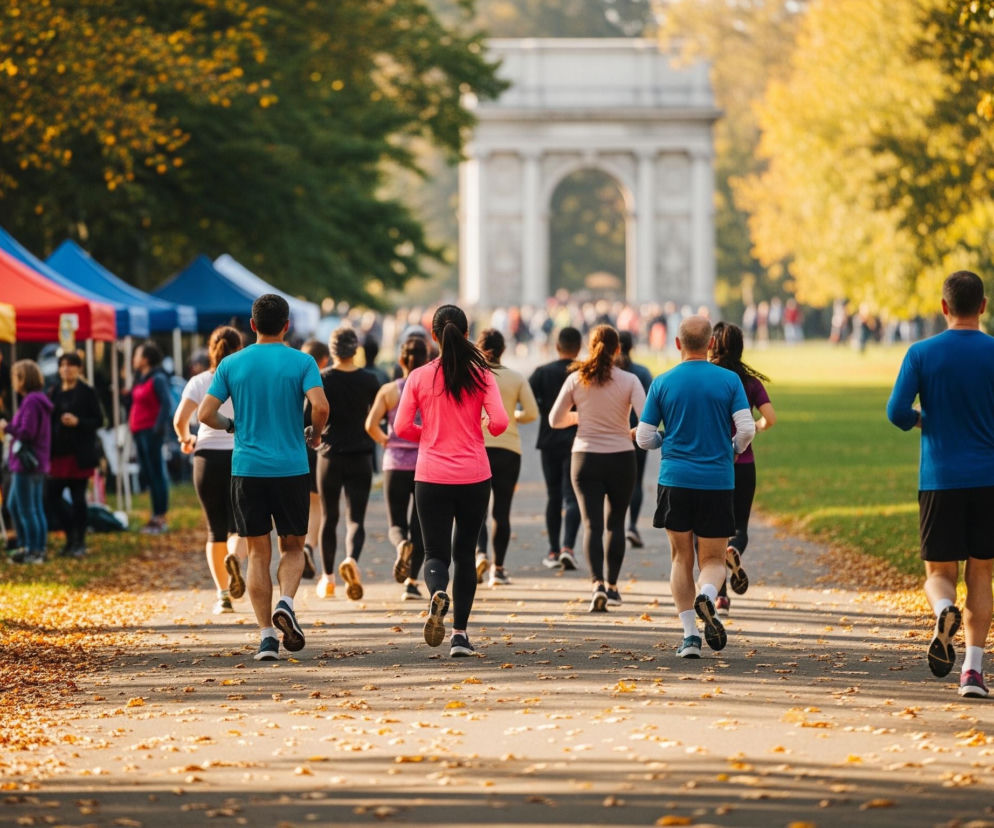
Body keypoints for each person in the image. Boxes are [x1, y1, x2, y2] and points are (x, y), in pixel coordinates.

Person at [199, 295, 329, 661]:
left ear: (252, 326)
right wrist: (315, 434)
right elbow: (320, 406)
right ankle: (286, 602)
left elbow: (206, 414)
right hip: (290, 468)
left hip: (247, 470)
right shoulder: (302, 362)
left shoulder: (231, 363)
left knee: (257, 553)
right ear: (287, 325)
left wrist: (231, 425)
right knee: (292, 547)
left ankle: (267, 639)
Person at [886, 271, 994, 698]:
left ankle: (943, 609)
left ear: (944, 307)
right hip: (988, 479)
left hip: (940, 479)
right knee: (982, 573)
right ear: (983, 306)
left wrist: (920, 419)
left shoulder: (921, 353)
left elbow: (896, 411)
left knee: (938, 572)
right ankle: (972, 671)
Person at [636, 316, 755, 658]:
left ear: (677, 344)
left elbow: (644, 437)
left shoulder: (663, 382)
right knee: (714, 557)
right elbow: (746, 430)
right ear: (710, 345)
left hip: (675, 481)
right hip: (717, 480)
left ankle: (690, 637)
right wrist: (732, 448)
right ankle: (707, 593)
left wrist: (664, 438)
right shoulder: (729, 381)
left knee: (680, 557)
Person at [394, 304, 508, 658]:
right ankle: (459, 635)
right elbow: (501, 422)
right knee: (465, 553)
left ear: (433, 335)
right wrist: (484, 427)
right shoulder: (482, 375)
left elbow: (399, 428)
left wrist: (428, 434)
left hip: (431, 476)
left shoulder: (419, 376)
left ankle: (436, 593)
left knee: (435, 553)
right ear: (467, 332)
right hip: (474, 475)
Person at [549, 325, 646, 612]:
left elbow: (555, 419)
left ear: (590, 348)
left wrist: (579, 418)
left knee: (591, 524)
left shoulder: (577, 379)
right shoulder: (629, 380)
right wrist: (630, 431)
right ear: (618, 349)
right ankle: (614, 587)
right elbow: (647, 421)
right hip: (620, 457)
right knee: (615, 523)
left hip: (585, 457)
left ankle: (596, 585)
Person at [173, 326, 247, 615]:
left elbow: (181, 419)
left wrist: (185, 439)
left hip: (205, 456)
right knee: (239, 524)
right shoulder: (244, 380)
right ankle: (234, 557)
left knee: (214, 528)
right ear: (239, 348)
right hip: (240, 455)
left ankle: (222, 596)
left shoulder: (199, 381)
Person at [709, 322, 776, 617]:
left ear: (713, 344)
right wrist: (756, 428)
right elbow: (770, 418)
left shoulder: (708, 378)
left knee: (714, 532)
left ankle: (720, 596)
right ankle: (735, 552)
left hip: (714, 463)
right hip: (744, 463)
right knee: (739, 528)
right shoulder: (749, 381)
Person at [309, 327, 380, 602]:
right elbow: (378, 417)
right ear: (356, 349)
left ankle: (327, 579)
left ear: (332, 351)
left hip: (329, 455)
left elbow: (311, 415)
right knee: (355, 518)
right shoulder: (370, 380)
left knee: (329, 517)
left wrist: (315, 435)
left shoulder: (322, 379)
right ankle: (351, 559)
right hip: (361, 454)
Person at [365, 336, 429, 600]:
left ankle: (401, 544)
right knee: (421, 526)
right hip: (425, 465)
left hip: (395, 464)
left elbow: (370, 424)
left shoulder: (390, 391)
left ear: (400, 360)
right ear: (427, 361)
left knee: (396, 524)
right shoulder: (430, 390)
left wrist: (387, 442)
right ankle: (412, 582)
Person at [474, 329, 539, 586]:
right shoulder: (516, 378)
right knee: (502, 511)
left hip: (477, 446)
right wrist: (512, 417)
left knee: (475, 509)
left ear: (479, 349)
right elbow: (532, 412)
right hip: (509, 448)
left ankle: (479, 554)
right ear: (503, 350)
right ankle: (498, 569)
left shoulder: (474, 376)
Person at [528, 327, 583, 571]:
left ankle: (552, 549)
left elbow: (529, 400)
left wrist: (544, 410)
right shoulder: (584, 372)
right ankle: (568, 547)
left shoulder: (542, 372)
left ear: (557, 346)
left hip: (549, 439)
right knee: (573, 496)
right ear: (579, 348)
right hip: (578, 440)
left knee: (553, 496)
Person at [47, 351, 103, 559]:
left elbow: (99, 420)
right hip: (58, 454)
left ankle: (79, 540)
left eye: (70, 365)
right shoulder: (54, 392)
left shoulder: (87, 391)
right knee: (51, 496)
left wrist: (79, 421)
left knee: (79, 498)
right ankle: (70, 535)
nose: (66, 369)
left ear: (78, 368)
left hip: (80, 454)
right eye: (63, 365)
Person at [1, 360, 53, 564]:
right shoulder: (36, 400)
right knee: (18, 504)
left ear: (23, 379)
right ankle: (31, 546)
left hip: (27, 463)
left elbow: (27, 432)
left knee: (28, 508)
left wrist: (7, 427)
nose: (13, 382)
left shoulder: (32, 401)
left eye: (16, 377)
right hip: (35, 462)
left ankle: (35, 550)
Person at [127, 341, 172, 534]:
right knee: (149, 474)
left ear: (145, 359)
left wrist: (157, 428)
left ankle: (160, 516)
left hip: (151, 432)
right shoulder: (140, 378)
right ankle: (154, 514)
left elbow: (167, 404)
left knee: (157, 474)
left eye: (137, 355)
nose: (133, 359)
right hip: (139, 431)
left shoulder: (158, 378)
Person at [616, 331, 653, 550]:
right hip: (637, 431)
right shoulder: (642, 373)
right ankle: (632, 525)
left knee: (614, 483)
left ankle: (616, 525)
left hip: (612, 434)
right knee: (636, 481)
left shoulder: (607, 373)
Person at [300, 339, 330, 586]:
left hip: (294, 447)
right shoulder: (322, 381)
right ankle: (308, 546)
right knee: (317, 504)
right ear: (324, 360)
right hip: (317, 446)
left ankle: (299, 545)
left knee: (300, 502)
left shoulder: (294, 377)